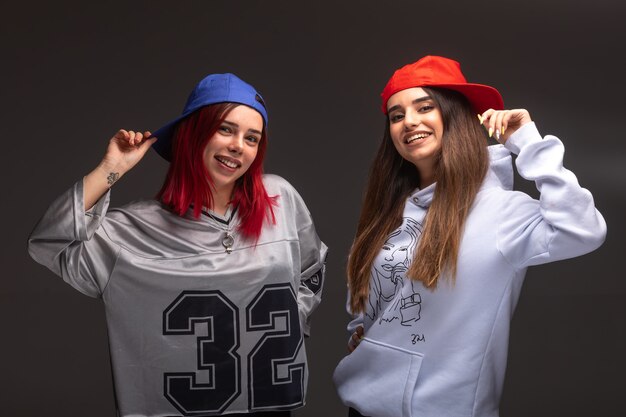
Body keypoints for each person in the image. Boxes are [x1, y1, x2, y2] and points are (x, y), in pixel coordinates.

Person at [28, 73, 327, 417]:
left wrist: (289, 325)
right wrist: (111, 169)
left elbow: (311, 268)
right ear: (194, 133)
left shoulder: (281, 199)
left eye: (252, 138)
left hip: (270, 409)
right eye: (225, 129)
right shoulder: (135, 229)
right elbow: (49, 242)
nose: (237, 146)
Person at [332, 55, 606, 417]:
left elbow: (583, 230)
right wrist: (364, 331)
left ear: (455, 115)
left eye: (424, 107)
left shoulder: (500, 212)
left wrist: (528, 143)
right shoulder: (388, 210)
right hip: (362, 407)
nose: (408, 121)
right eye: (396, 116)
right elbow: (366, 296)